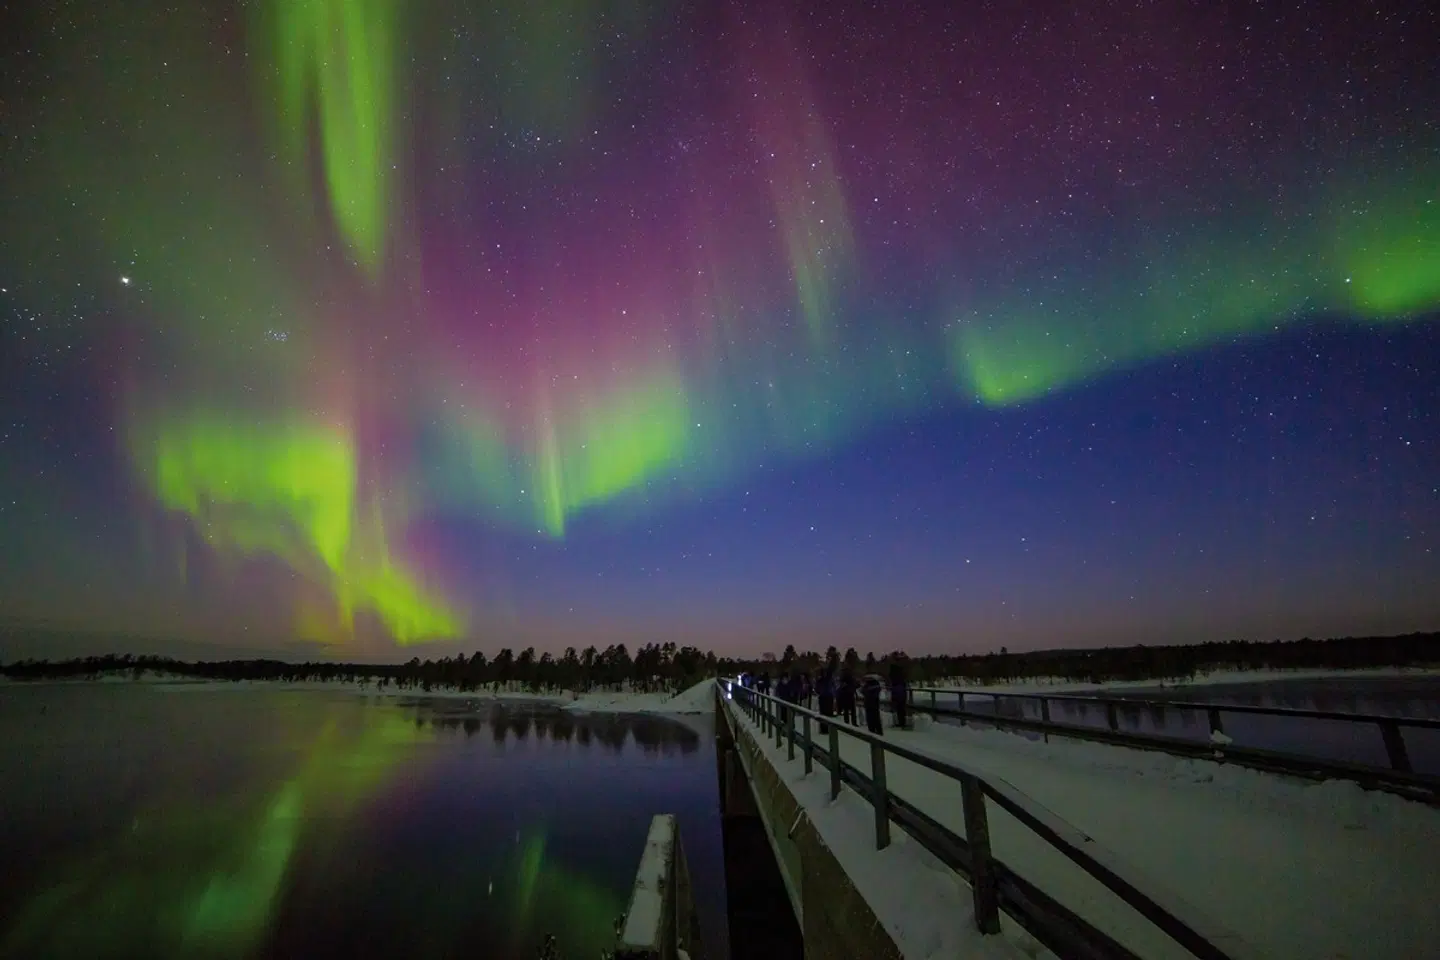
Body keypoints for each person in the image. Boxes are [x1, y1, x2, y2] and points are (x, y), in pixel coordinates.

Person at [889, 658, 908, 729]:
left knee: (899, 708)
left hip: (898, 693)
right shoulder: (900, 677)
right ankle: (902, 722)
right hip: (901, 693)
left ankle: (901, 722)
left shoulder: (895, 678)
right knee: (901, 709)